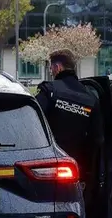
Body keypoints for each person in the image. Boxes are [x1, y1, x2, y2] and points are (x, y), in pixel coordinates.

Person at [35, 50, 104, 202]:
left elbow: (33, 123)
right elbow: (97, 139)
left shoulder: (50, 91)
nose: (51, 72)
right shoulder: (90, 98)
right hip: (77, 169)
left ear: (58, 67)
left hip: (49, 165)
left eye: (51, 68)